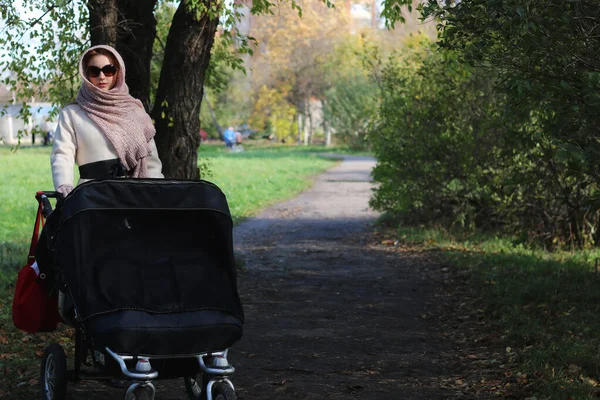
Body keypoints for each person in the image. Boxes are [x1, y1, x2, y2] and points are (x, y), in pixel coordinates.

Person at [34, 44, 163, 284]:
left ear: (118, 71)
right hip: (91, 198)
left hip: (134, 195)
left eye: (108, 69)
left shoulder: (134, 111)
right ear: (85, 73)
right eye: (94, 71)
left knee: (137, 259)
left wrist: (156, 191)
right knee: (97, 261)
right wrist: (64, 185)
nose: (102, 76)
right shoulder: (73, 113)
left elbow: (150, 158)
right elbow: (62, 153)